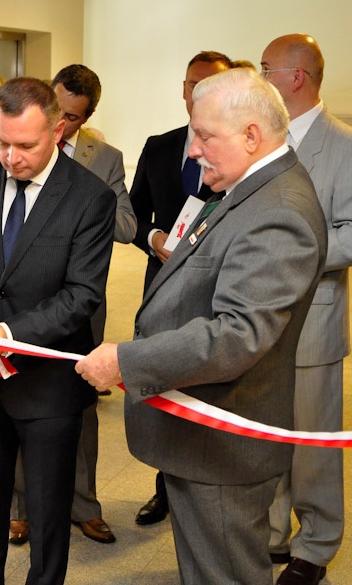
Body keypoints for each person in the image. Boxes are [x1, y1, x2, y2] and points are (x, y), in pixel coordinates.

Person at [76, 68, 327, 585]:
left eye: (205, 137)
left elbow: (236, 335)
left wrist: (125, 360)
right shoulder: (249, 189)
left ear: (252, 136)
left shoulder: (278, 211)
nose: (193, 151)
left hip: (223, 448)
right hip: (202, 437)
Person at [0, 77, 116, 585]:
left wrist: (10, 330)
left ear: (58, 131)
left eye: (25, 145)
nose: (10, 157)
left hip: (47, 389)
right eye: (2, 141)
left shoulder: (90, 198)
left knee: (47, 519)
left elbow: (82, 295)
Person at [260, 34, 352, 585]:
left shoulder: (349, 145)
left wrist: (289, 252)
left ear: (296, 78)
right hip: (258, 321)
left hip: (313, 323)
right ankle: (271, 533)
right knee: (266, 433)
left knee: (312, 446)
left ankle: (317, 542)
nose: (259, 78)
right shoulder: (263, 141)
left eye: (266, 69)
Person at [9, 64, 136, 546]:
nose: (63, 125)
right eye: (58, 112)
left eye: (75, 119)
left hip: (79, 303)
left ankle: (84, 504)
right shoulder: (17, 142)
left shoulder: (104, 157)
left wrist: (76, 192)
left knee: (80, 406)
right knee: (17, 399)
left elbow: (125, 224)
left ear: (89, 117)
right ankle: (21, 508)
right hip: (18, 301)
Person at [129, 49, 232, 525]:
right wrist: (153, 239)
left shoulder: (237, 152)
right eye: (191, 83)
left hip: (219, 292)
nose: (196, 92)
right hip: (163, 287)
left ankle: (208, 488)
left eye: (208, 83)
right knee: (164, 388)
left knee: (212, 388)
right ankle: (164, 489)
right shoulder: (159, 145)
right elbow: (133, 215)